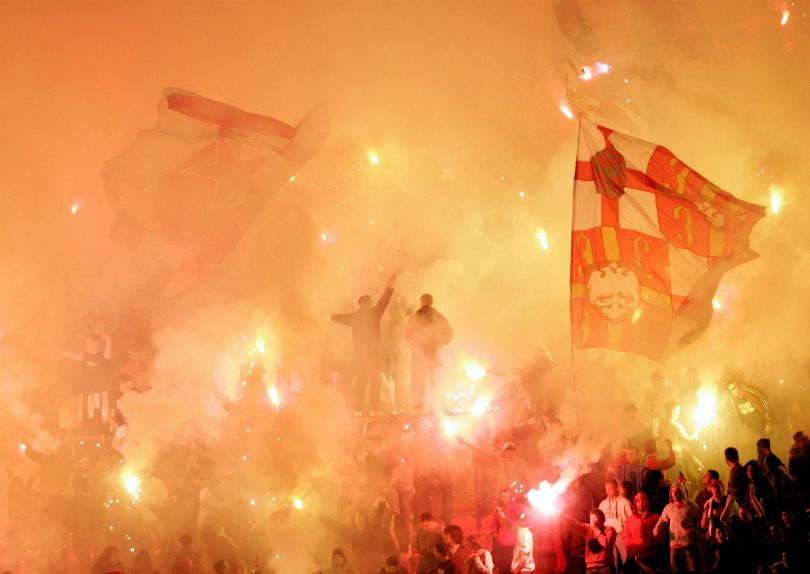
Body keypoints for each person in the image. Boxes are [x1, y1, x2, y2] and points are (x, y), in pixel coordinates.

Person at [331, 273, 397, 415]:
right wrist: (389, 287)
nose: (374, 303)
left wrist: (329, 317)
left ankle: (357, 410)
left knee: (361, 380)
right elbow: (384, 302)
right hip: (373, 352)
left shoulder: (354, 317)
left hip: (359, 353)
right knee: (375, 380)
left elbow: (341, 318)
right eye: (372, 301)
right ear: (367, 303)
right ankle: (375, 409)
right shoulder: (374, 313)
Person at [405, 293, 453, 412]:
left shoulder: (416, 315)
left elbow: (407, 332)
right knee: (435, 379)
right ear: (431, 302)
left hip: (419, 353)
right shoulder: (438, 316)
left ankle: (417, 406)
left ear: (422, 302)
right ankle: (436, 406)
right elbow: (449, 331)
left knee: (418, 380)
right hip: (434, 352)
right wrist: (443, 341)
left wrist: (414, 344)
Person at [653, 484, 700, 572]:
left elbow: (699, 519)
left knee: (692, 569)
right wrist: (656, 529)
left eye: (677, 492)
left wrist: (694, 529)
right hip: (674, 545)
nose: (674, 494)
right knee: (674, 570)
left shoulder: (692, 506)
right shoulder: (669, 508)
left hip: (687, 544)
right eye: (672, 492)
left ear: (682, 492)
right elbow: (662, 519)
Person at [561, 508, 616, 574]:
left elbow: (606, 543)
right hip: (590, 567)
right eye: (591, 518)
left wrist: (595, 529)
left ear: (602, 519)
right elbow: (576, 524)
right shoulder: (588, 528)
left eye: (595, 517)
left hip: (605, 566)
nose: (592, 520)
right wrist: (564, 516)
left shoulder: (610, 529)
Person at [598, 479, 632, 570]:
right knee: (612, 561)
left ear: (617, 488)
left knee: (625, 560)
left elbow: (632, 520)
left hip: (621, 534)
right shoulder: (603, 504)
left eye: (610, 489)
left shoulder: (625, 502)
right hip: (608, 536)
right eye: (606, 489)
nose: (608, 491)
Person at [622, 492, 659, 574]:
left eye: (643, 501)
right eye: (638, 501)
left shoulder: (654, 517)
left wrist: (653, 542)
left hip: (649, 554)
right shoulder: (630, 519)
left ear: (647, 502)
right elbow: (625, 535)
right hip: (634, 554)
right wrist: (631, 546)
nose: (641, 503)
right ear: (635, 503)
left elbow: (660, 533)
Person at [491, 489, 524, 574]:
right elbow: (494, 523)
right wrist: (494, 533)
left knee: (513, 566)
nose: (504, 498)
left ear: (510, 496)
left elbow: (514, 525)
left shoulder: (517, 507)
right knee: (503, 567)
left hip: (514, 542)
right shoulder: (498, 510)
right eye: (502, 496)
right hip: (502, 543)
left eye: (506, 496)